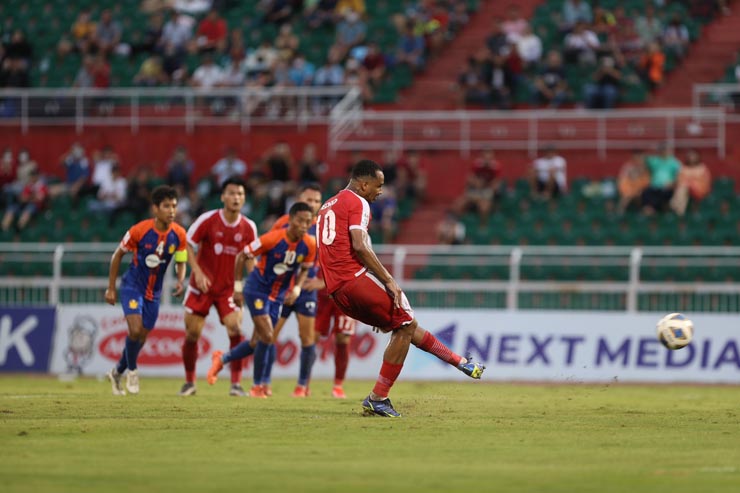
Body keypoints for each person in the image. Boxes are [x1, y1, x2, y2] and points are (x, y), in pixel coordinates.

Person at [316, 160, 485, 417]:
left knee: (405, 325)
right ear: (363, 184)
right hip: (354, 279)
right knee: (405, 325)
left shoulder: (328, 204)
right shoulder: (358, 202)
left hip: (337, 291)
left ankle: (460, 362)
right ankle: (378, 398)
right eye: (378, 185)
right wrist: (388, 281)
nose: (380, 191)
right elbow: (360, 246)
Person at [206, 202, 317, 397]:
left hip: (277, 296)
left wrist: (298, 288)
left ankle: (221, 359)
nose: (304, 225)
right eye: (300, 220)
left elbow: (306, 269)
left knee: (257, 341)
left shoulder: (309, 244)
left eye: (308, 222)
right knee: (267, 335)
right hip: (256, 290)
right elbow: (242, 256)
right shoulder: (272, 239)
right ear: (290, 220)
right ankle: (257, 386)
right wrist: (238, 289)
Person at [105, 186, 188, 396]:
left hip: (155, 293)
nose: (171, 211)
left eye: (174, 206)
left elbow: (181, 260)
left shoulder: (179, 234)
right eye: (166, 206)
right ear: (155, 209)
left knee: (141, 336)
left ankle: (117, 372)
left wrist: (180, 280)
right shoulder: (139, 230)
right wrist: (111, 288)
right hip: (133, 286)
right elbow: (117, 256)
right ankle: (132, 371)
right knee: (134, 330)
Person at [179, 177, 258, 397]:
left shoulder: (249, 227)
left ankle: (236, 384)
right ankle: (189, 382)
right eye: (232, 193)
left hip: (229, 289)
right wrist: (196, 271)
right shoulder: (208, 219)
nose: (236, 198)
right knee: (193, 333)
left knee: (236, 329)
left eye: (240, 194)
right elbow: (187, 244)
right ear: (223, 196)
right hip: (201, 286)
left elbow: (250, 258)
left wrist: (250, 283)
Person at [269, 184, 323, 397]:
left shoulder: (324, 227)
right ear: (298, 201)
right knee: (269, 336)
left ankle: (302, 386)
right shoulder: (283, 223)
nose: (312, 204)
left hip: (307, 289)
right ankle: (264, 382)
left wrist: (322, 283)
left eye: (316, 201)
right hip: (281, 289)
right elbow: (269, 251)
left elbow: (335, 260)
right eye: (308, 200)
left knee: (307, 338)